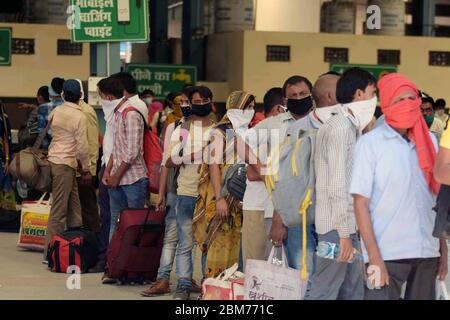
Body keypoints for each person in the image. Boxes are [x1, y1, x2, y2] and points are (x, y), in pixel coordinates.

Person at [351, 73, 448, 300]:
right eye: (399, 100)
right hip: (386, 254)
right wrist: (373, 257)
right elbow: (360, 204)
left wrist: (442, 250)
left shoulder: (430, 142)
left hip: (426, 252)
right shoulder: (370, 145)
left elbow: (434, 201)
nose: (407, 105)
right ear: (386, 105)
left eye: (411, 99)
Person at [305, 67, 377, 300]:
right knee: (324, 290)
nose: (375, 99)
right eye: (372, 92)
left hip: (347, 227)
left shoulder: (350, 126)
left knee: (352, 290)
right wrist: (345, 234)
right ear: (358, 94)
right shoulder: (339, 128)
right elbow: (337, 185)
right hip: (336, 230)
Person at [140, 90, 202, 297]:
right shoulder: (173, 127)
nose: (185, 105)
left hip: (197, 190)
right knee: (172, 235)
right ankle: (163, 278)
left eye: (189, 101)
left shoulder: (207, 128)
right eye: (182, 101)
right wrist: (162, 193)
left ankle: (186, 279)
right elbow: (166, 163)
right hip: (176, 189)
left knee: (190, 237)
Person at [194, 91, 255, 279]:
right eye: (248, 107)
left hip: (241, 199)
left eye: (253, 107)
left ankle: (230, 290)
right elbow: (214, 167)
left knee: (237, 245)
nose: (251, 111)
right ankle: (211, 288)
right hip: (220, 197)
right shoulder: (219, 133)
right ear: (236, 108)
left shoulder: (247, 132)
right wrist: (219, 197)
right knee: (215, 242)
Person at [164, 86, 215, 300]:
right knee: (185, 242)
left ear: (211, 102)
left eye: (205, 100)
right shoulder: (182, 130)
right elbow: (169, 161)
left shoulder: (219, 129)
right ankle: (183, 285)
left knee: (207, 243)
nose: (200, 104)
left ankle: (207, 285)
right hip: (186, 192)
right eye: (196, 100)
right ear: (190, 103)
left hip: (210, 195)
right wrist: (195, 155)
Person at [43, 80, 91, 260]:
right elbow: (82, 147)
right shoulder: (79, 117)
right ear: (81, 95)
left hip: (57, 162)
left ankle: (74, 247)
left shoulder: (57, 110)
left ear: (63, 94)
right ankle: (50, 252)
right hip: (65, 165)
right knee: (59, 210)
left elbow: (50, 134)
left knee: (74, 208)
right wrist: (86, 169)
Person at [241, 87, 286, 266]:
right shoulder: (264, 132)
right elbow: (252, 174)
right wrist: (283, 173)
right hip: (257, 207)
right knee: (255, 268)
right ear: (278, 109)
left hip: (272, 207)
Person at [88, 77, 126, 274]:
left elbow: (129, 150)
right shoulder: (113, 113)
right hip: (108, 169)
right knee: (109, 218)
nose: (100, 99)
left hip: (121, 174)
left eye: (101, 96)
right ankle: (109, 260)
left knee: (116, 219)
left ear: (109, 96)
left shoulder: (126, 112)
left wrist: (113, 173)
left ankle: (112, 261)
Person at [75, 79, 100, 233]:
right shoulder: (74, 110)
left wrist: (89, 170)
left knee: (88, 208)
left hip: (86, 170)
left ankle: (94, 244)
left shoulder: (86, 111)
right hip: (76, 168)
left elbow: (92, 142)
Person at [38, 77, 65, 149]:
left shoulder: (43, 108)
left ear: (51, 91)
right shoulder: (71, 107)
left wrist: (47, 149)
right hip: (69, 149)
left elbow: (41, 132)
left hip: (51, 148)